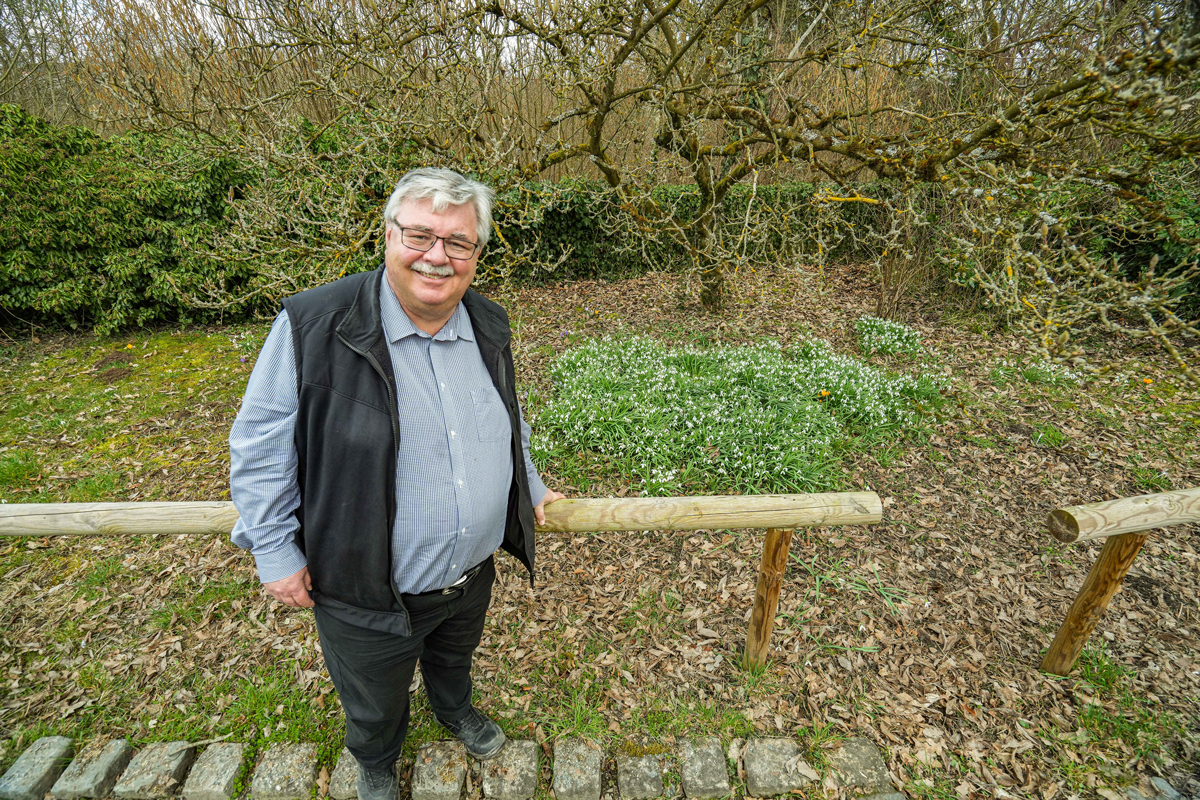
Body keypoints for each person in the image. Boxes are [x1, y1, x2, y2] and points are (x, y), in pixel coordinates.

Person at [228, 167, 564, 800]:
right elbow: (259, 441)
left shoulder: (488, 323)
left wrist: (532, 485)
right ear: (387, 236)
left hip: (470, 571)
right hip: (365, 584)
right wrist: (274, 550)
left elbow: (507, 415)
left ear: (477, 253)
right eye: (420, 235)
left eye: (458, 242)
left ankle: (454, 710)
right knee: (373, 695)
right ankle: (377, 759)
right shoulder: (314, 323)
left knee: (453, 659)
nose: (437, 256)